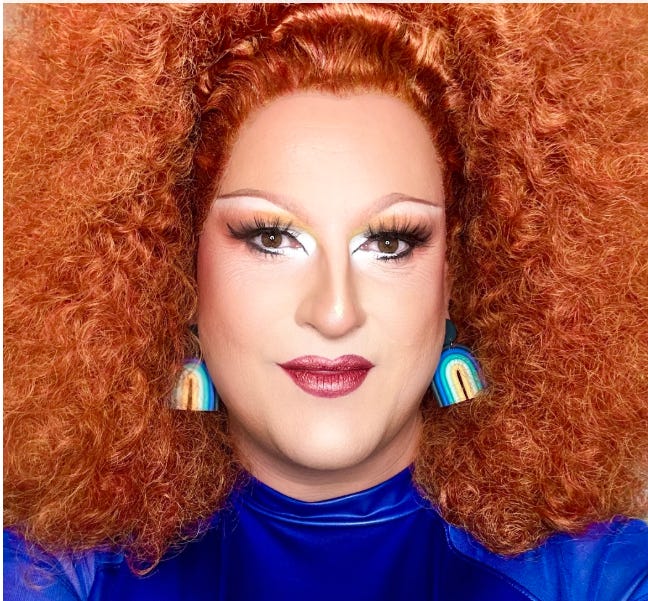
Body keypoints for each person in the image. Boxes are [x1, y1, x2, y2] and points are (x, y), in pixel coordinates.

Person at [4, 4, 648, 600]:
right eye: (270, 237)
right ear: (176, 269)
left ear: (461, 275)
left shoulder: (604, 579)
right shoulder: (51, 574)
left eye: (390, 242)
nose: (336, 312)